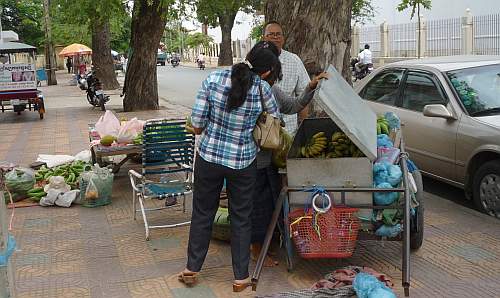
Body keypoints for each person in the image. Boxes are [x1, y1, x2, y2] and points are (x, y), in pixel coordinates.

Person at [179, 41, 281, 293]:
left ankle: (192, 269)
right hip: (243, 162)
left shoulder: (213, 79)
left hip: (209, 157)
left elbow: (198, 124)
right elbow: (275, 120)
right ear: (266, 71)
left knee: (203, 212)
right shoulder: (262, 90)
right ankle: (240, 278)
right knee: (241, 218)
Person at [249, 43, 329, 266]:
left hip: (269, 159)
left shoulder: (271, 90)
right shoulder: (245, 90)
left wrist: (310, 87)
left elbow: (293, 105)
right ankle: (257, 251)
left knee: (270, 204)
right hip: (250, 160)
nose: (275, 79)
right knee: (256, 207)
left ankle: (267, 246)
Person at [263, 21, 310, 135]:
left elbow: (302, 95)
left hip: (288, 132)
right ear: (264, 38)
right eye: (271, 34)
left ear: (283, 38)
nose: (275, 37)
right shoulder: (256, 59)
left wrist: (304, 130)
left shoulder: (294, 60)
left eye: (278, 34)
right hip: (261, 134)